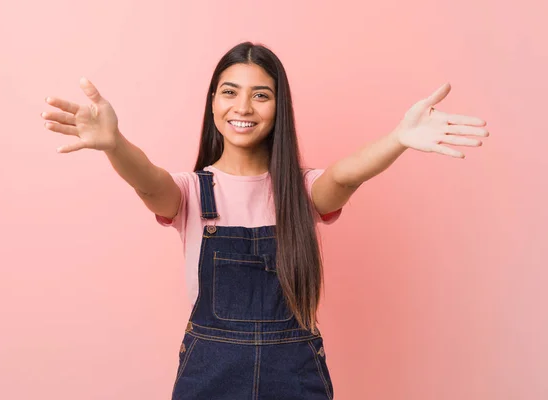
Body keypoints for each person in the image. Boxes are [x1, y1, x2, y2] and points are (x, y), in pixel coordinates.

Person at [41, 41, 489, 399]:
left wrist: (398, 139)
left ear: (279, 108)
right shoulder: (190, 192)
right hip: (210, 371)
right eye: (230, 91)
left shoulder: (302, 191)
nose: (244, 107)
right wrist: (114, 144)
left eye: (261, 95)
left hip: (294, 371)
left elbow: (344, 174)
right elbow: (147, 180)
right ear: (213, 102)